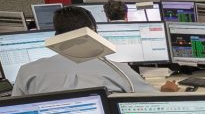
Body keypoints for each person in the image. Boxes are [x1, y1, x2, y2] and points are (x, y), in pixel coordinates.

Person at [12, 6, 179, 95]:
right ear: (93, 33)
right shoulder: (118, 71)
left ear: (57, 36)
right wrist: (166, 91)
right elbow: (151, 99)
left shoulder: (27, 72)